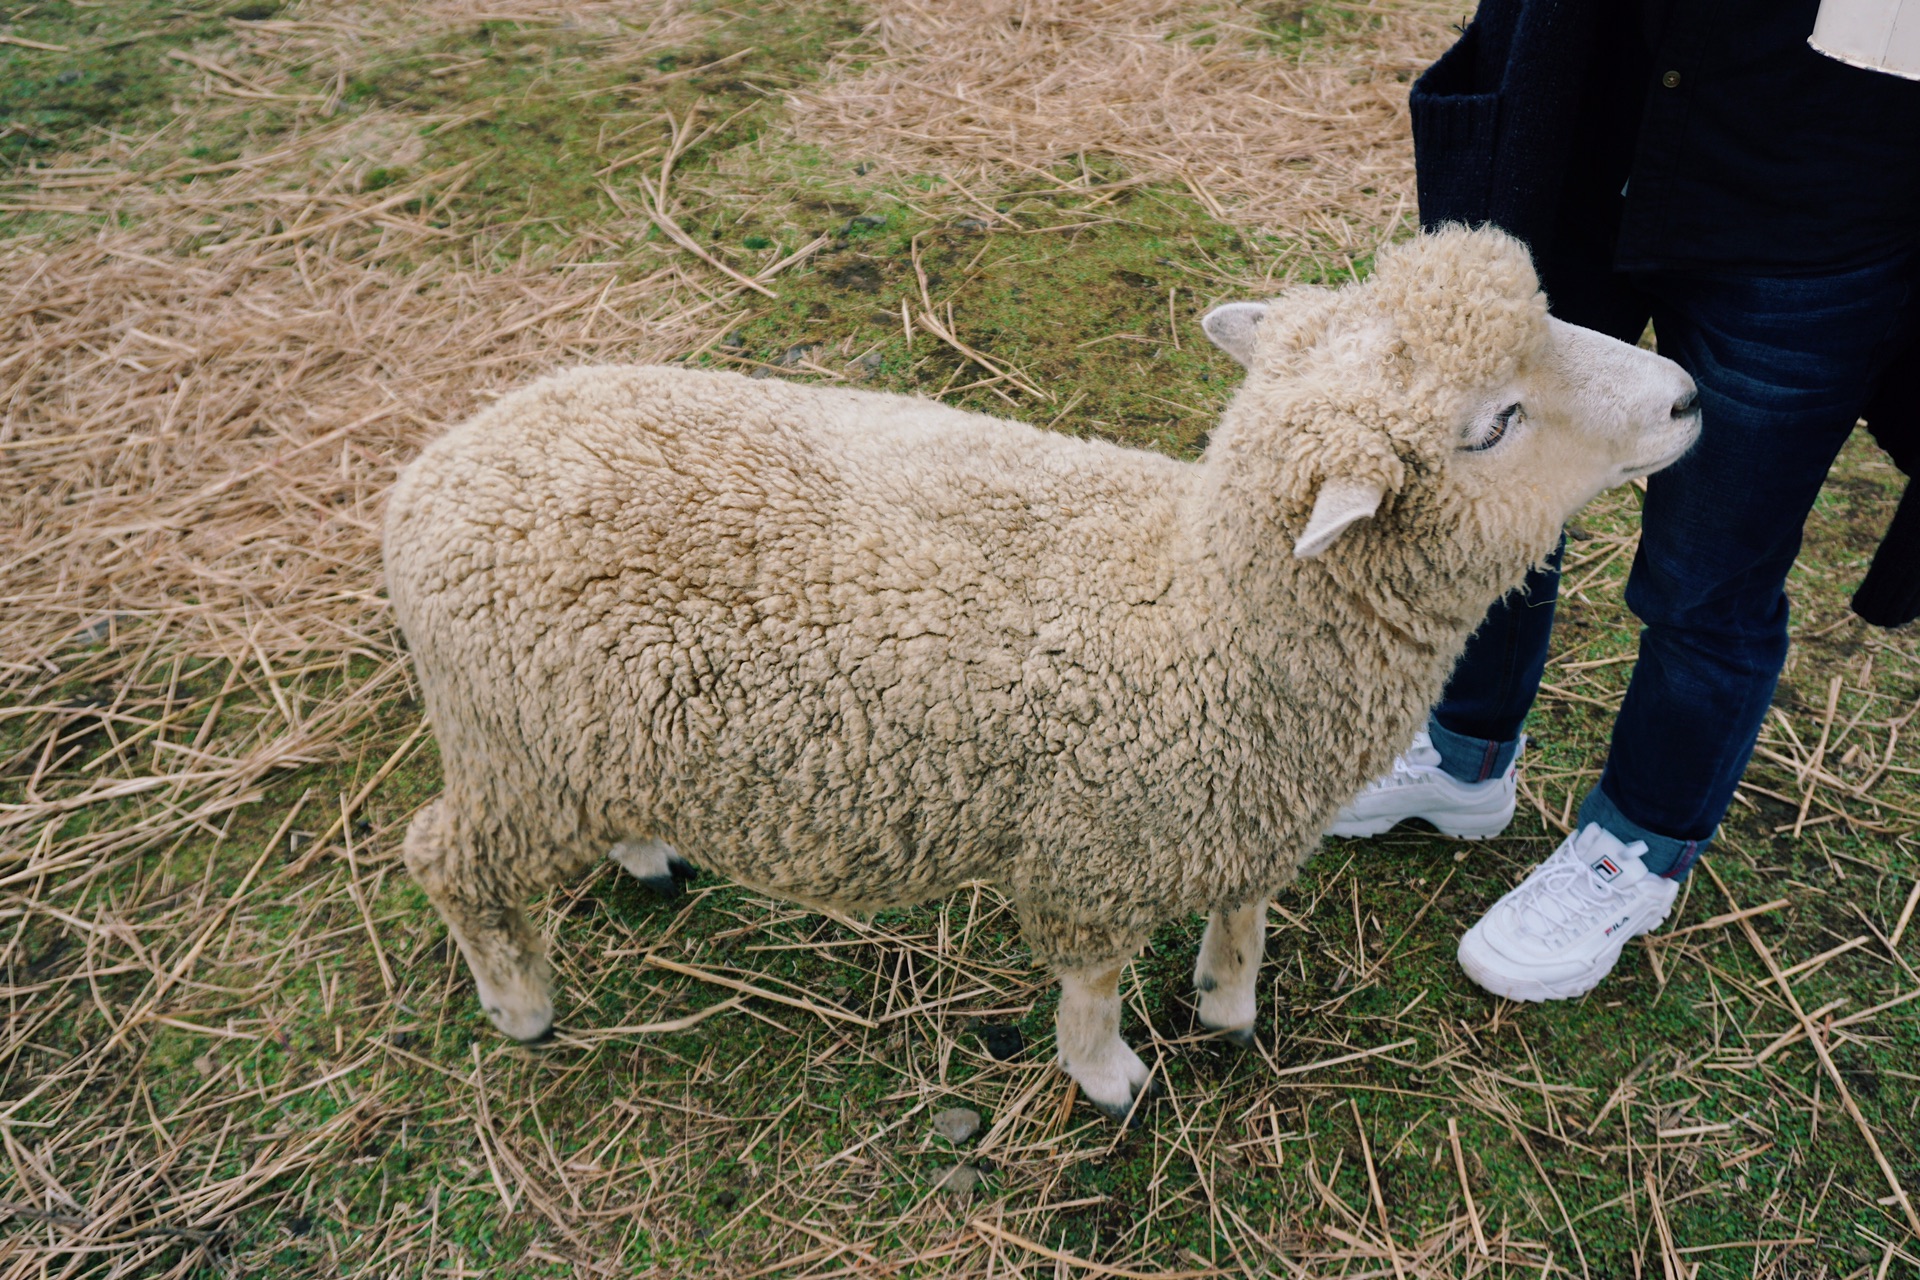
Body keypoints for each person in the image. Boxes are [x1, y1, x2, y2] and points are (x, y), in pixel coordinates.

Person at [1331, 0, 1920, 1002]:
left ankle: (1636, 843)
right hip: (1585, 136)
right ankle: (1463, 751)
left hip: (1820, 201)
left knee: (1708, 580)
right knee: (1497, 486)